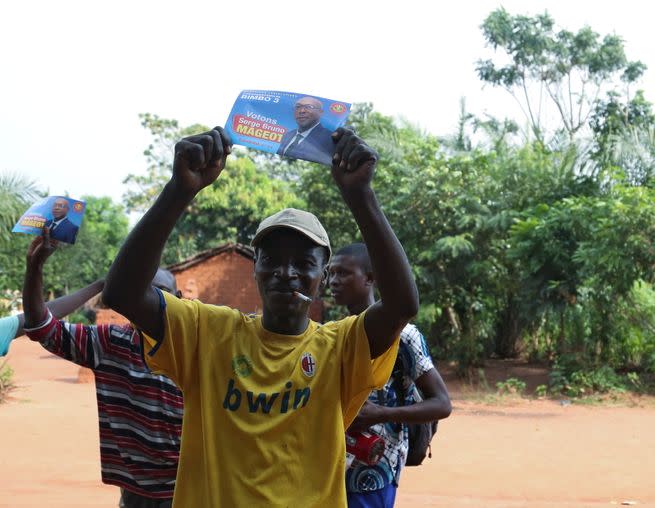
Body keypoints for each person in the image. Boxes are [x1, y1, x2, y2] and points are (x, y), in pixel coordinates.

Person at [101, 126, 419, 507]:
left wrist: (361, 196)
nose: (286, 272)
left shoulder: (342, 347)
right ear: (256, 270)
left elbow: (402, 305)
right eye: (271, 260)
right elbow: (122, 292)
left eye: (303, 263)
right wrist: (179, 190)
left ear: (322, 277)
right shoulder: (207, 332)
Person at [23, 232, 183, 508]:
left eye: (161, 293)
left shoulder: (197, 346)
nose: (150, 300)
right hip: (136, 495)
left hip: (190, 488)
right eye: (142, 291)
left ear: (179, 298)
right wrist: (34, 268)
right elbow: (41, 327)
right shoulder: (110, 343)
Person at [329, 243, 452, 507]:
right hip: (333, 468)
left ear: (370, 279)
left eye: (343, 273)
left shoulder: (403, 336)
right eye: (331, 273)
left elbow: (442, 403)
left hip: (374, 472)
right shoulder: (336, 333)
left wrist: (380, 413)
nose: (333, 281)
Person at [277, 96, 336, 165]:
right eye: (298, 107)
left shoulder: (330, 139)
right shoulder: (287, 136)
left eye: (309, 107)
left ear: (320, 112)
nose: (302, 111)